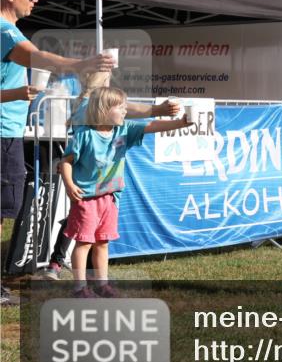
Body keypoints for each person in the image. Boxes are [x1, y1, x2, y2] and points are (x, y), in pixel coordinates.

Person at [2, 0, 113, 306]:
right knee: (5, 209)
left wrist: (15, 94)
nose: (36, 1)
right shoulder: (7, 33)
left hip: (7, 131)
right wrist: (76, 66)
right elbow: (38, 57)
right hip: (3, 134)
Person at [39, 71, 179, 280]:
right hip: (86, 191)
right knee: (82, 237)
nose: (125, 110)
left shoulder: (111, 120)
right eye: (107, 77)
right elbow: (129, 110)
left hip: (107, 194)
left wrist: (175, 119)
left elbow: (140, 119)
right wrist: (157, 109)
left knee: (97, 240)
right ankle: (69, 274)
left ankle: (91, 278)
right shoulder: (88, 112)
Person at [59, 87, 192, 297]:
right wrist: (69, 184)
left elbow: (152, 125)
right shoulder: (84, 134)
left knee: (102, 243)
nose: (125, 112)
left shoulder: (124, 129)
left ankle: (102, 285)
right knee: (84, 243)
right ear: (103, 109)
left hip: (110, 198)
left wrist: (180, 123)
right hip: (86, 199)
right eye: (120, 108)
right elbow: (65, 162)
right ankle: (79, 288)